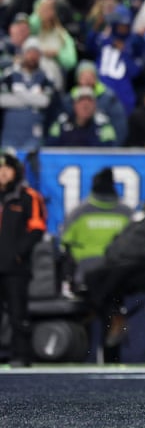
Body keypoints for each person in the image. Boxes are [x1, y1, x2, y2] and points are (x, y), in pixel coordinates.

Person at [83, 174, 145, 359]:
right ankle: (112, 319)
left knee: (110, 282)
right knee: (92, 278)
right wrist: (114, 251)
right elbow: (126, 237)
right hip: (123, 262)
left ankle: (104, 313)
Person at [0, 152, 47, 367]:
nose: (2, 173)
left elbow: (37, 228)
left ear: (16, 172)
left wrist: (19, 253)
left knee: (18, 313)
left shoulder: (28, 196)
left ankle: (21, 355)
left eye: (6, 169)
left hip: (16, 267)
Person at [60, 167, 133, 289]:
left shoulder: (78, 213)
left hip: (84, 273)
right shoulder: (127, 214)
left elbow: (64, 243)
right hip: (119, 274)